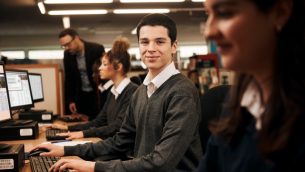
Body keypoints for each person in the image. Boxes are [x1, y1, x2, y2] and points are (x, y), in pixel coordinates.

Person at [32, 13, 202, 172]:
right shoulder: (141, 92)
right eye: (144, 42)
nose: (150, 48)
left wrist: (93, 166)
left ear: (174, 46)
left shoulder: (181, 93)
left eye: (159, 41)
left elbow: (161, 162)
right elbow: (120, 141)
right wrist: (64, 149)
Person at [198, 0, 305, 171]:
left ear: (280, 13)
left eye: (225, 13)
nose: (209, 31)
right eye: (208, 14)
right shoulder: (239, 107)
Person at [51, 36, 138, 140]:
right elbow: (99, 121)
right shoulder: (113, 91)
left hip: (122, 152)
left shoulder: (132, 92)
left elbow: (116, 127)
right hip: (110, 144)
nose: (100, 68)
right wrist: (68, 128)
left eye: (104, 64)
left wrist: (83, 133)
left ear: (118, 67)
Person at [59, 28, 105, 120]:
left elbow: (103, 73)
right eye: (64, 46)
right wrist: (71, 100)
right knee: (83, 121)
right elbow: (69, 79)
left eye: (68, 44)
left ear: (77, 38)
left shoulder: (97, 49)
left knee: (98, 120)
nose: (67, 48)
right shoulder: (67, 54)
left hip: (97, 92)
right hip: (81, 95)